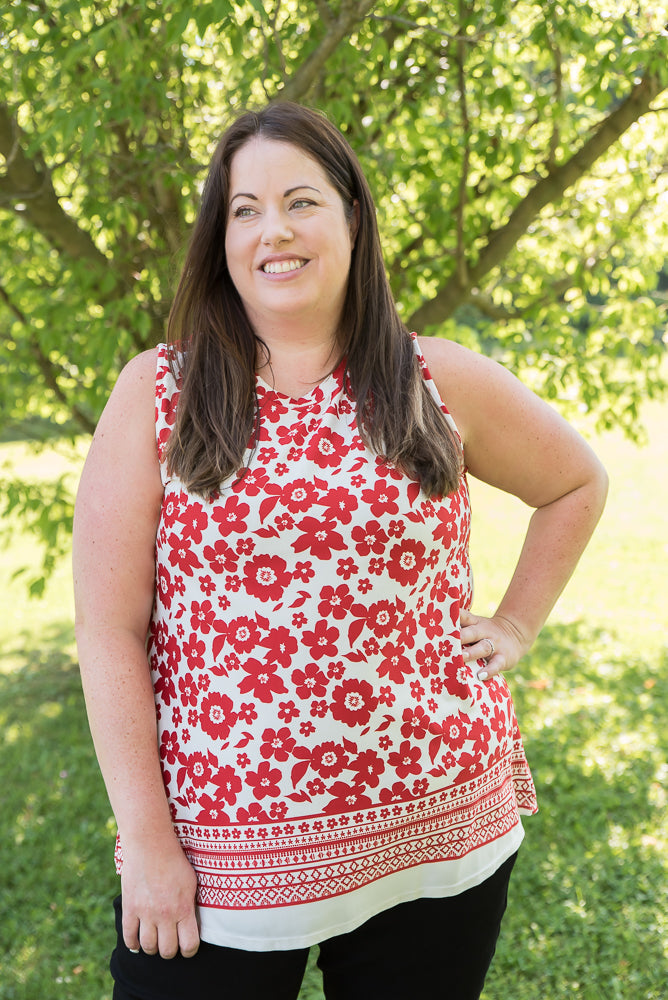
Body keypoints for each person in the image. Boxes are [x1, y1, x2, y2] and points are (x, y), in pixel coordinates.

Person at [73, 101, 608, 1000]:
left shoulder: (434, 376)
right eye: (244, 209)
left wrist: (515, 624)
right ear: (221, 239)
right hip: (225, 865)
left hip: (441, 832)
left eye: (301, 201)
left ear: (353, 219)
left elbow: (575, 485)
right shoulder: (158, 392)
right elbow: (109, 630)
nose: (272, 229)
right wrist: (150, 845)